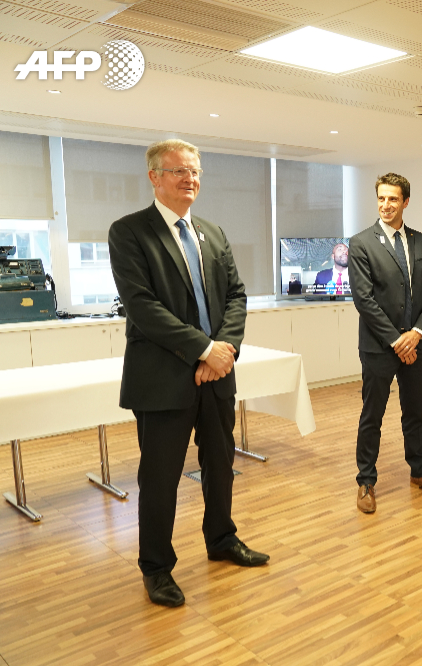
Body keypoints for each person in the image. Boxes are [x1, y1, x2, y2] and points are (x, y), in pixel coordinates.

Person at [108, 139, 269, 609]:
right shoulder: (129, 232)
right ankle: (156, 567)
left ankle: (222, 538)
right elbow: (142, 307)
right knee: (160, 479)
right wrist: (204, 349)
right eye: (179, 171)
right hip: (162, 379)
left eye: (195, 171)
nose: (190, 179)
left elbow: (236, 295)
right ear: (154, 177)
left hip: (216, 375)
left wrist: (224, 350)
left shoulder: (212, 233)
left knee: (220, 464)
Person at [347, 173, 422, 514]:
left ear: (405, 202)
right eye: (381, 198)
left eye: (393, 199)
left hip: (416, 345)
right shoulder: (361, 243)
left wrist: (416, 334)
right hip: (379, 347)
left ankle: (419, 471)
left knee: (414, 413)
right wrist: (396, 340)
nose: (386, 205)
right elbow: (364, 300)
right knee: (372, 416)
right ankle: (366, 481)